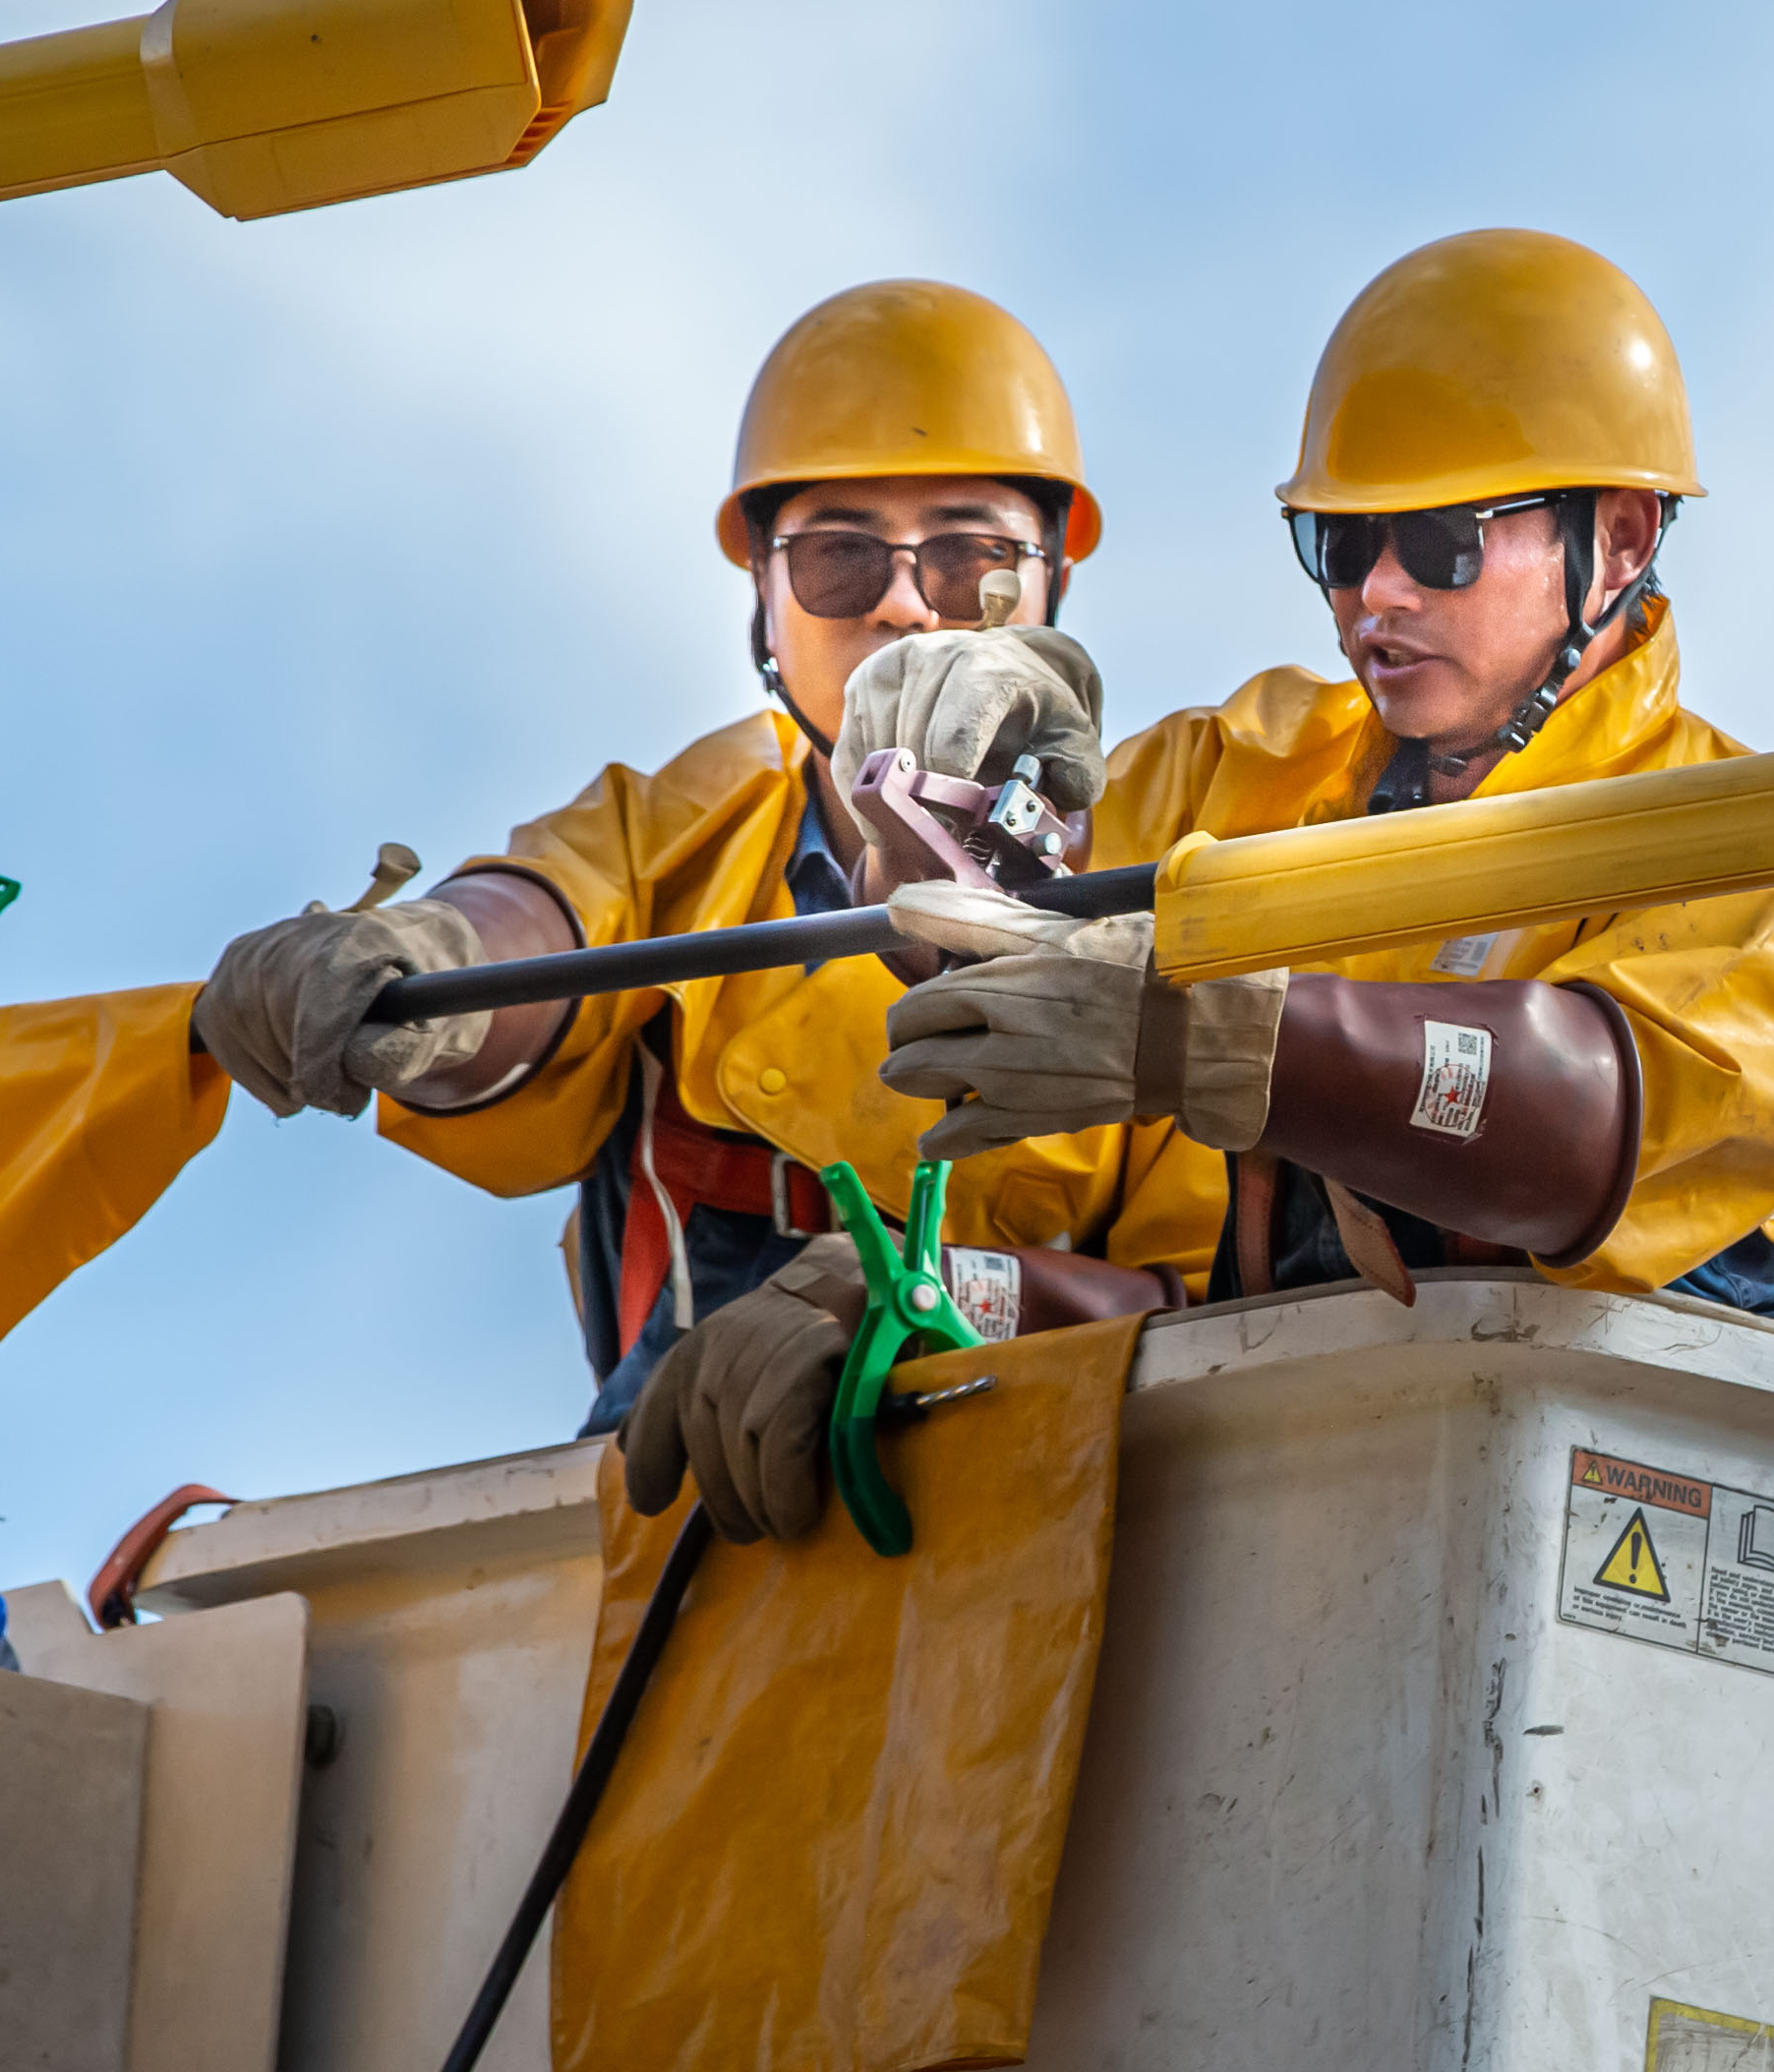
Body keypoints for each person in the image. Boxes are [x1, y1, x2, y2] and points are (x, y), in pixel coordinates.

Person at [190, 282, 1166, 1539]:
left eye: (973, 555)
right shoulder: (694, 831)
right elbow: (538, 926)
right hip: (686, 1521)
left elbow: (1206, 1295)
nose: (907, 603)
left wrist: (906, 1299)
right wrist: (421, 961)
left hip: (1062, 1519)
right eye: (839, 554)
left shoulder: (1162, 871)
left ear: (1052, 581)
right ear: (762, 591)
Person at [876, 226, 1774, 1321]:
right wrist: (936, 798)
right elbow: (993, 913)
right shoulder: (1244, 770)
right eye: (1340, 544)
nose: (1377, 591)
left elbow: (1582, 1134)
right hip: (1318, 1437)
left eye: (1440, 542)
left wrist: (1228, 1041)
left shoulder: (1735, 844)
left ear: (1617, 544)